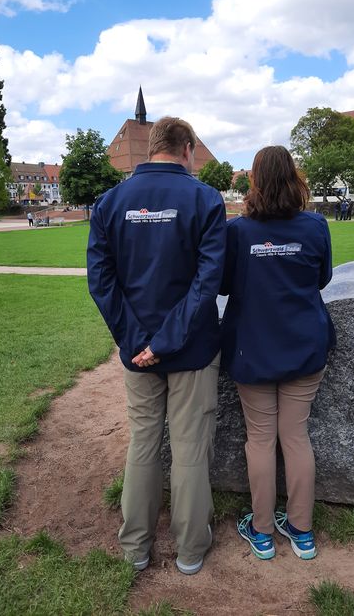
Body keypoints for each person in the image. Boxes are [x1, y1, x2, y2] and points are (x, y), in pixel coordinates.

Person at [87, 116, 226, 575]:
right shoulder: (205, 199)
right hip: (190, 349)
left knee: (144, 443)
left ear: (152, 149)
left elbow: (101, 282)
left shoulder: (110, 203)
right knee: (188, 448)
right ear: (186, 149)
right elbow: (208, 284)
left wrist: (139, 343)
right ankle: (189, 549)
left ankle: (136, 546)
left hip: (142, 350)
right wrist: (160, 342)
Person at [220, 145, 336, 562]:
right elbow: (321, 277)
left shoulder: (238, 232)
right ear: (294, 178)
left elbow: (222, 285)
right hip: (304, 347)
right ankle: (302, 532)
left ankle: (263, 530)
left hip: (253, 349)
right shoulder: (315, 226)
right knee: (295, 436)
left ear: (254, 180)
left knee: (262, 439)